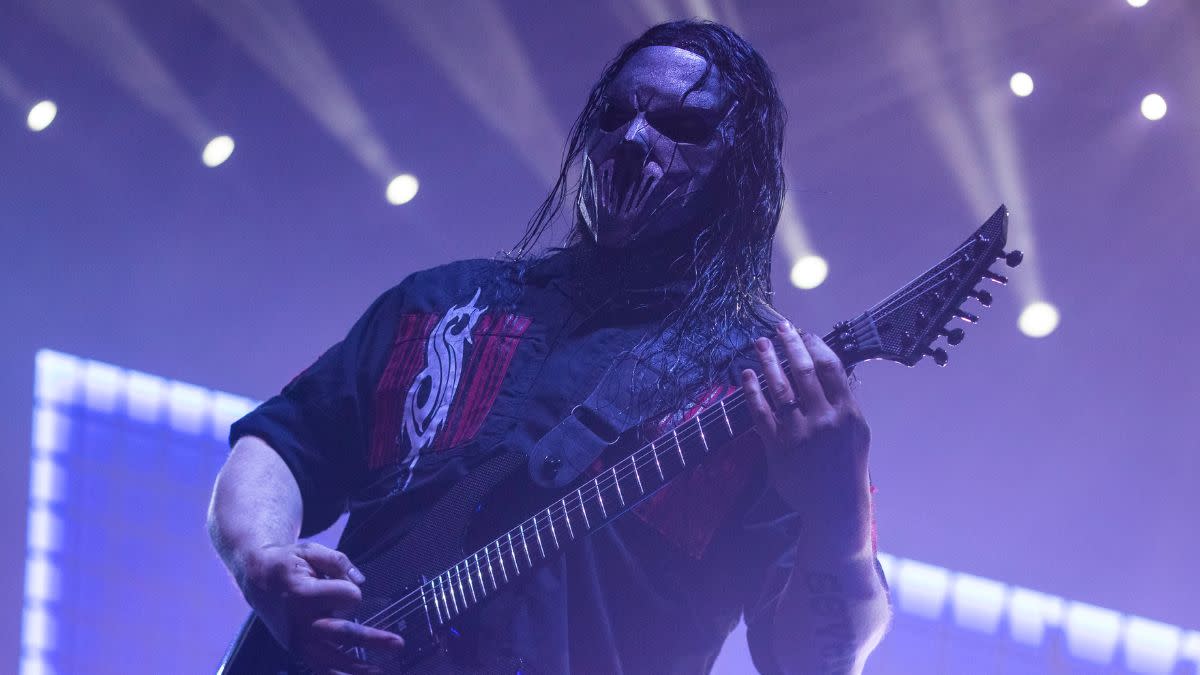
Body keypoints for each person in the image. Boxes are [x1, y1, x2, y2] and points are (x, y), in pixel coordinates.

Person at [208, 19, 890, 675]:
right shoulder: (441, 304)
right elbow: (282, 442)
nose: (633, 138)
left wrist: (839, 515)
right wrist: (261, 559)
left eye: (683, 127)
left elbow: (818, 662)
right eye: (615, 115)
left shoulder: (766, 387)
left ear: (740, 170)